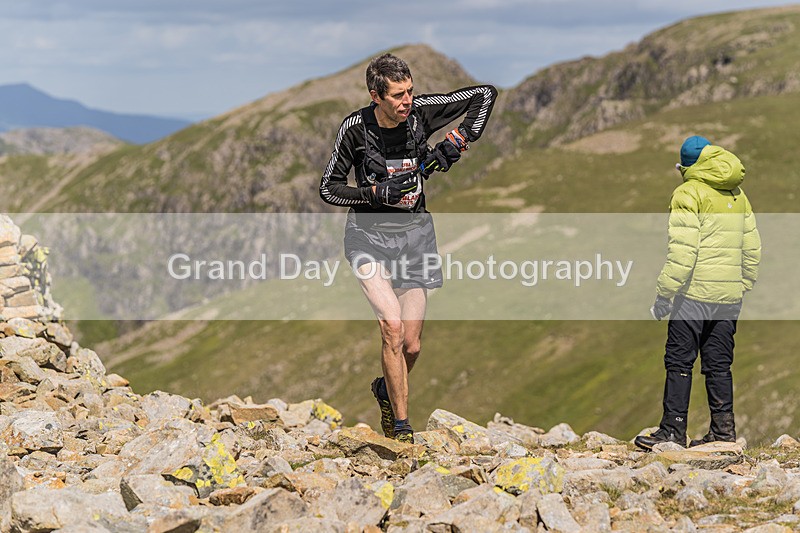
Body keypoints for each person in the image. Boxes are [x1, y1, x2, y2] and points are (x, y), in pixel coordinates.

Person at [319, 53, 496, 442]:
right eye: (398, 95)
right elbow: (328, 187)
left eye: (410, 91)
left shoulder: (420, 113)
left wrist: (458, 140)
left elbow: (485, 94)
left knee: (411, 346)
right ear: (375, 96)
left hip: (415, 238)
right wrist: (373, 192)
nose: (407, 101)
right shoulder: (354, 128)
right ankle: (401, 428)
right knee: (392, 328)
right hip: (368, 238)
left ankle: (385, 388)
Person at [635, 135, 761, 451]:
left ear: (687, 166)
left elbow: (683, 253)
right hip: (730, 297)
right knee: (719, 363)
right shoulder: (737, 193)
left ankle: (672, 431)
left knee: (679, 360)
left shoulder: (687, 193)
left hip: (694, 295)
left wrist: (664, 295)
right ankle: (723, 432)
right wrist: (743, 283)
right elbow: (752, 247)